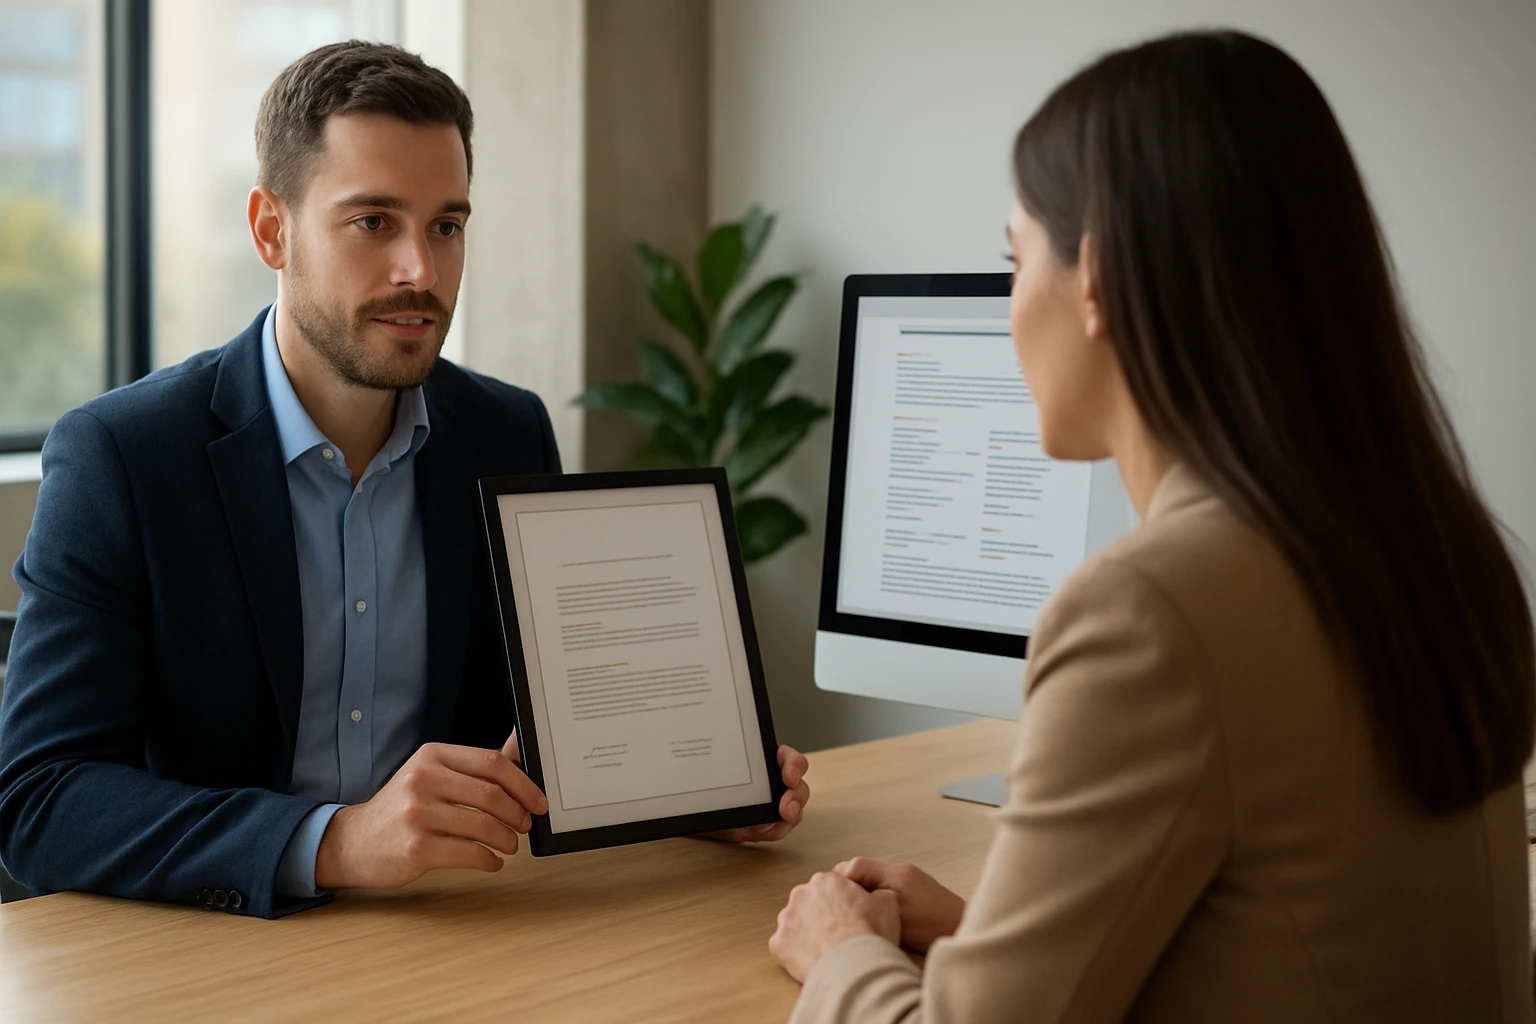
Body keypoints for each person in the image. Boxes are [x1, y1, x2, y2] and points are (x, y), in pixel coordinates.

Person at [769, 29, 1533, 1023]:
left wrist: (839, 953)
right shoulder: (1439, 550)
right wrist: (980, 933)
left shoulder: (1152, 609)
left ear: (1096, 280)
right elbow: (1283, 943)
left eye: (1015, 261)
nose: (1007, 312)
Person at [0, 41, 809, 920]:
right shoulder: (121, 455)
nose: (420, 271)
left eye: (446, 226)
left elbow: (545, 725)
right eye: (374, 221)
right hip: (218, 950)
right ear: (273, 229)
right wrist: (336, 841)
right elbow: (41, 799)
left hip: (456, 929)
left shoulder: (507, 431)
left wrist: (687, 786)